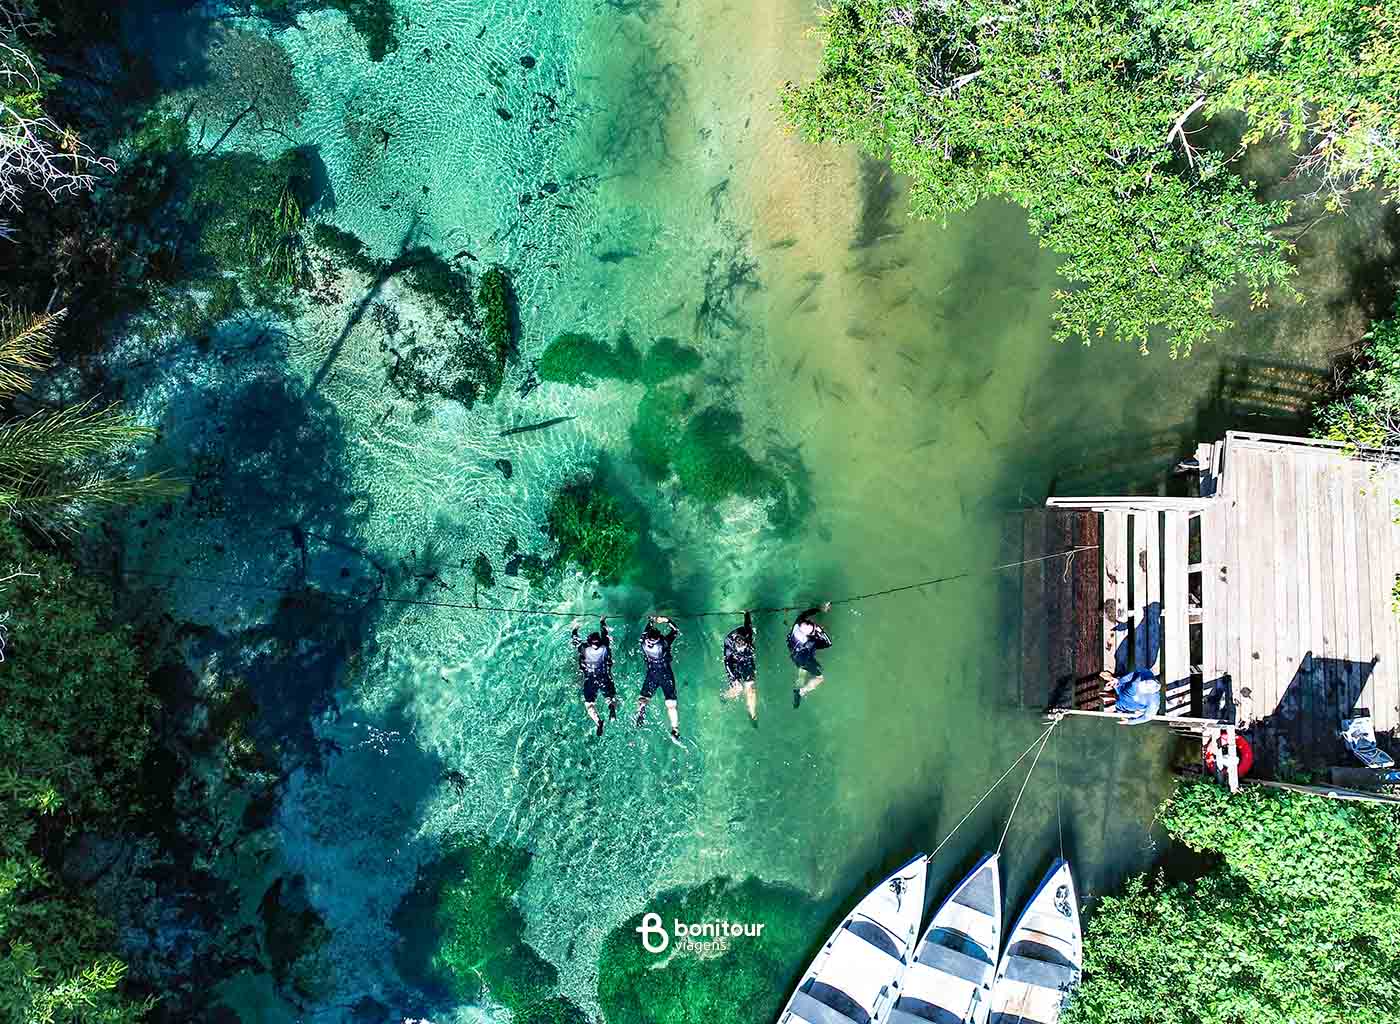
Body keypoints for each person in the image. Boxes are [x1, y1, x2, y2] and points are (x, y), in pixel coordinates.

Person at [635, 615, 683, 744]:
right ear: (658, 638)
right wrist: (667, 620)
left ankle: (641, 711)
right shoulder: (663, 643)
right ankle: (675, 729)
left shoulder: (643, 642)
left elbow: (646, 631)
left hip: (652, 673)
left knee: (643, 698)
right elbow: (676, 631)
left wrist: (651, 621)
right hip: (665, 673)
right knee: (671, 704)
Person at [571, 617, 617, 736]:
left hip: (590, 680)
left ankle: (598, 722)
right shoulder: (605, 647)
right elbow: (605, 633)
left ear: (590, 642)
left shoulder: (584, 648)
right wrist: (602, 621)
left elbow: (575, 639)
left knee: (589, 705)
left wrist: (575, 628)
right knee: (610, 698)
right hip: (604, 678)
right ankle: (611, 707)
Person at [789, 602, 833, 708]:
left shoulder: (797, 624)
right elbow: (828, 644)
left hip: (794, 654)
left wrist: (820, 609)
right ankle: (801, 691)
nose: (812, 622)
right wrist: (820, 631)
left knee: (802, 668)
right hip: (803, 658)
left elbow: (805, 614)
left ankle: (800, 678)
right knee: (820, 678)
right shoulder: (810, 641)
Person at [722, 610, 758, 726]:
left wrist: (746, 614)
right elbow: (727, 662)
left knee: (750, 688)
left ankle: (752, 714)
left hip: (746, 660)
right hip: (733, 662)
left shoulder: (747, 635)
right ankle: (724, 697)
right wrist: (734, 678)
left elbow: (748, 624)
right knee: (738, 690)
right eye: (741, 648)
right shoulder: (728, 641)